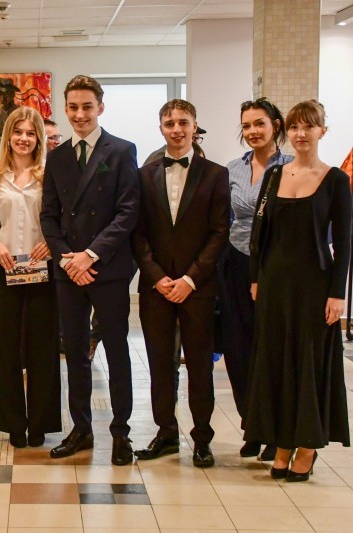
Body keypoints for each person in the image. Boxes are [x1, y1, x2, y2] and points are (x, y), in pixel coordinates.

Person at [245, 100, 351, 482]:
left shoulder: (335, 180)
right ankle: (282, 441)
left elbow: (344, 241)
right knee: (276, 362)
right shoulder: (275, 175)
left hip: (314, 285)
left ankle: (306, 446)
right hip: (274, 283)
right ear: (285, 131)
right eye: (294, 127)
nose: (301, 134)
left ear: (323, 131)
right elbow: (259, 233)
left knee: (309, 363)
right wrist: (256, 279)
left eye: (309, 126)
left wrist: (338, 294)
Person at [40, 75, 139, 465]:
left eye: (87, 106)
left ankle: (121, 432)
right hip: (69, 271)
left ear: (100, 107)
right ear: (65, 109)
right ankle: (81, 429)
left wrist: (91, 255)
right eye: (73, 107)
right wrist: (68, 258)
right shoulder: (57, 157)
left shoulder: (122, 150)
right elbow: (49, 216)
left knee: (116, 351)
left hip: (107, 268)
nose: (80, 114)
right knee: (76, 353)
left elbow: (128, 212)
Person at [131, 99, 230, 468]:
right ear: (161, 128)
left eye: (183, 122)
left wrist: (190, 278)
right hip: (155, 288)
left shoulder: (216, 174)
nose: (176, 129)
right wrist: (157, 277)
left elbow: (219, 233)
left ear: (194, 126)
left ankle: (202, 438)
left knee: (200, 366)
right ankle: (166, 433)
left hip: (198, 287)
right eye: (169, 123)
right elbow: (136, 233)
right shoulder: (143, 175)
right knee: (160, 364)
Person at [0, 107, 61, 448]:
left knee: (43, 348)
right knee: (7, 348)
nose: (24, 138)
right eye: (18, 132)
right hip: (8, 270)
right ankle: (13, 423)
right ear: (8, 136)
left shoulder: (50, 175)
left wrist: (52, 243)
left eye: (30, 133)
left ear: (39, 138)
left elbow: (62, 219)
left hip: (43, 270)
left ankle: (40, 423)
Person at [223, 97, 292, 461]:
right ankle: (252, 424)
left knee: (272, 349)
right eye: (247, 126)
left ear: (275, 125)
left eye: (259, 124)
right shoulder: (233, 168)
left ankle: (276, 429)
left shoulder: (291, 167)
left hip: (275, 265)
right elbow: (225, 217)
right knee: (239, 349)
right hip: (236, 262)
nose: (252, 131)